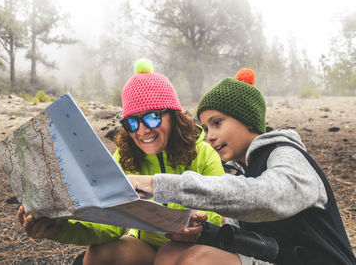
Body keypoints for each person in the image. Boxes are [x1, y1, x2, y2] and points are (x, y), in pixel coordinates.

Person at [129, 68, 356, 265]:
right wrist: (204, 232)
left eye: (217, 123)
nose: (210, 137)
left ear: (248, 120)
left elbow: (264, 198)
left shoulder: (286, 155)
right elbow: (259, 243)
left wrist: (156, 184)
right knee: (172, 251)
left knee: (196, 260)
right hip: (281, 258)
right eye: (206, 129)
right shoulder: (244, 169)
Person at [17, 58, 225, 265]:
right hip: (145, 248)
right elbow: (109, 225)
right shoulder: (125, 158)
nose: (143, 130)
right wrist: (59, 228)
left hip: (193, 250)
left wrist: (198, 229)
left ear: (174, 116)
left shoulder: (204, 154)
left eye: (153, 117)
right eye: (132, 122)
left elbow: (218, 212)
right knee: (102, 253)